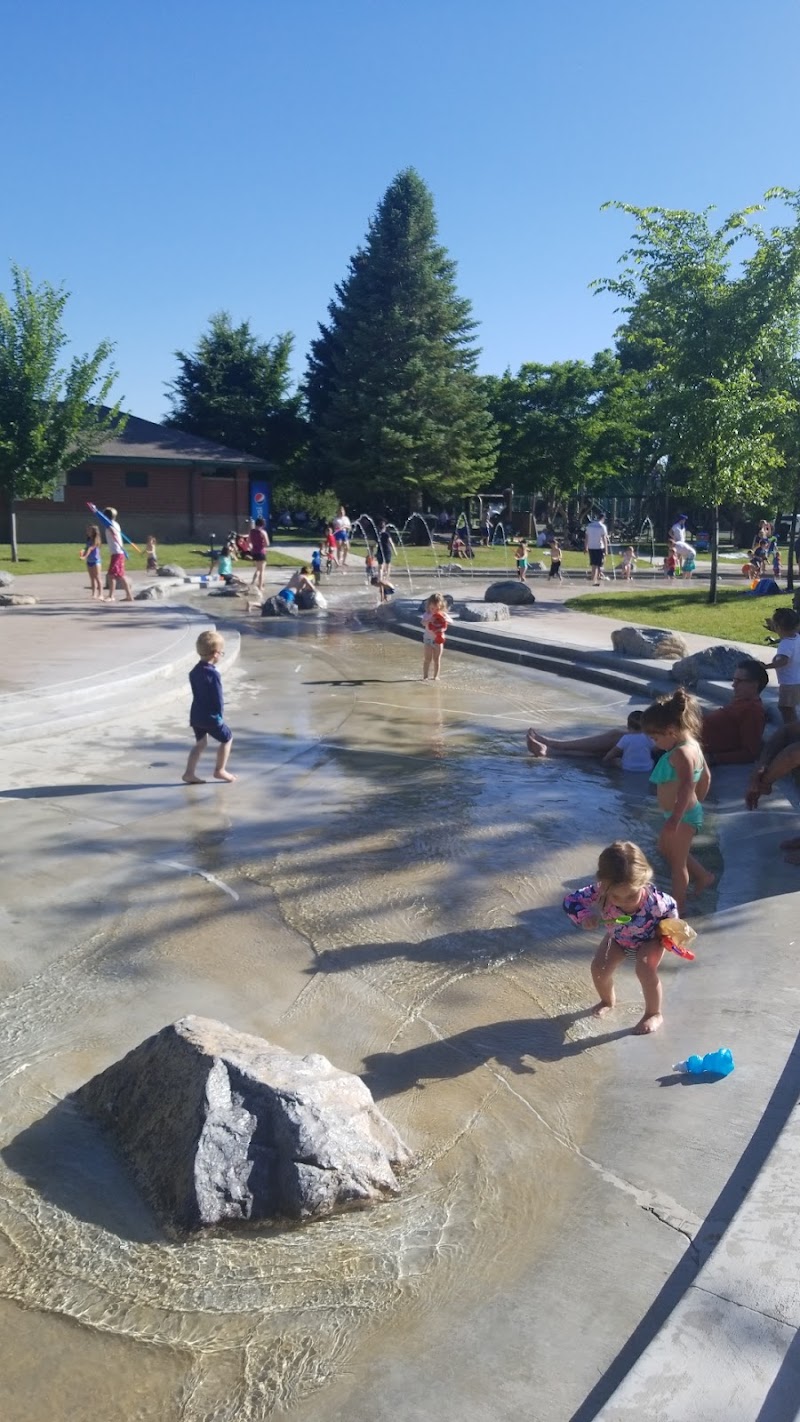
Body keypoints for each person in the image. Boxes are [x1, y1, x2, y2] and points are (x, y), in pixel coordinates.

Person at [527, 659, 767, 767]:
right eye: (733, 679)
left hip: (683, 747)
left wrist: (713, 759)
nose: (733, 685)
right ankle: (555, 751)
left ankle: (555, 747)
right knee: (621, 743)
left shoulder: (753, 711)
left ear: (755, 684)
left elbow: (750, 752)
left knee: (618, 740)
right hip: (678, 739)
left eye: (739, 681)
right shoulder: (739, 704)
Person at [563, 840, 679, 1035]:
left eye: (631, 896)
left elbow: (672, 910)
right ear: (605, 885)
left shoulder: (656, 901)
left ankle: (654, 1013)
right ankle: (607, 1000)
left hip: (649, 940)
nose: (625, 903)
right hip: (617, 938)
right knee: (598, 968)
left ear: (643, 881)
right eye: (616, 897)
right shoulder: (601, 890)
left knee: (644, 969)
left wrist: (668, 934)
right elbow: (570, 901)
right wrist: (585, 917)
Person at [642, 690, 713, 913]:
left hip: (680, 815)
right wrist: (697, 803)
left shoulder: (681, 753)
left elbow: (686, 786)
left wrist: (678, 816)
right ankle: (704, 876)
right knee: (665, 848)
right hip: (681, 813)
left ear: (671, 731)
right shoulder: (692, 745)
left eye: (656, 738)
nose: (654, 743)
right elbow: (706, 777)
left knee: (677, 864)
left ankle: (677, 910)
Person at [182, 630, 236, 784]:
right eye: (222, 652)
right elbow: (218, 698)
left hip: (196, 715)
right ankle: (220, 770)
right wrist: (220, 715)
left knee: (200, 743)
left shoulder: (194, 672)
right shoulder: (213, 674)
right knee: (227, 738)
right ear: (216, 654)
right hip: (211, 716)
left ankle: (189, 773)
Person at [765, 607, 800, 723]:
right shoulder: (797, 638)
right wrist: (775, 627)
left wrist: (766, 666)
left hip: (788, 683)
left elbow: (783, 661)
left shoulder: (785, 644)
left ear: (778, 627)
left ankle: (792, 730)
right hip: (796, 681)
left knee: (785, 708)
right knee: (790, 707)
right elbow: (786, 631)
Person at [102, 507, 134, 602]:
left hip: (117, 553)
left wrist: (111, 530)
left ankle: (111, 596)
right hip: (118, 552)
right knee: (120, 575)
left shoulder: (110, 524)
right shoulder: (115, 523)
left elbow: (112, 531)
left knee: (111, 575)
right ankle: (129, 596)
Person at [421, 592, 451, 680]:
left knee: (437, 659)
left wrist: (444, 620)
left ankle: (436, 676)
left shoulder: (443, 614)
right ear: (429, 606)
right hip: (428, 640)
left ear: (441, 607)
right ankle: (425, 676)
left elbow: (450, 621)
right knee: (427, 659)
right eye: (432, 608)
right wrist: (429, 620)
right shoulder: (427, 615)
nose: (434, 610)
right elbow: (422, 623)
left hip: (439, 640)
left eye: (437, 608)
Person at [584, 514, 610, 586]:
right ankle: (594, 580)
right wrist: (606, 549)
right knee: (598, 564)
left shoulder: (590, 526)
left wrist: (585, 547)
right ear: (603, 518)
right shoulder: (602, 526)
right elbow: (604, 538)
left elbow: (586, 537)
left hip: (591, 547)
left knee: (594, 564)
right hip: (599, 547)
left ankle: (596, 577)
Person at [80, 524, 103, 599]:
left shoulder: (96, 540)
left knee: (98, 578)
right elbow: (87, 548)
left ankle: (101, 594)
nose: (88, 531)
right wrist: (83, 551)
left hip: (96, 561)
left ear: (94, 532)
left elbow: (90, 549)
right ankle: (94, 593)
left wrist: (84, 557)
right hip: (89, 561)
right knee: (92, 578)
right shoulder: (89, 540)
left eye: (90, 530)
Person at [248, 517, 269, 592]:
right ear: (263, 524)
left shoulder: (251, 531)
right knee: (262, 571)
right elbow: (267, 543)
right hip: (261, 552)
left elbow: (249, 542)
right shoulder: (263, 532)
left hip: (254, 552)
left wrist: (252, 547)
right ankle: (260, 587)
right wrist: (262, 545)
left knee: (258, 569)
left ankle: (253, 583)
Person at [332, 505, 351, 570]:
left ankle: (344, 561)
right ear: (338, 512)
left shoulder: (346, 518)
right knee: (339, 548)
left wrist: (345, 526)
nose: (342, 512)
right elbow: (334, 527)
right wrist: (338, 528)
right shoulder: (336, 519)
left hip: (344, 533)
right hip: (338, 533)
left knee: (347, 547)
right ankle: (339, 562)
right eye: (340, 511)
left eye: (343, 511)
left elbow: (349, 526)